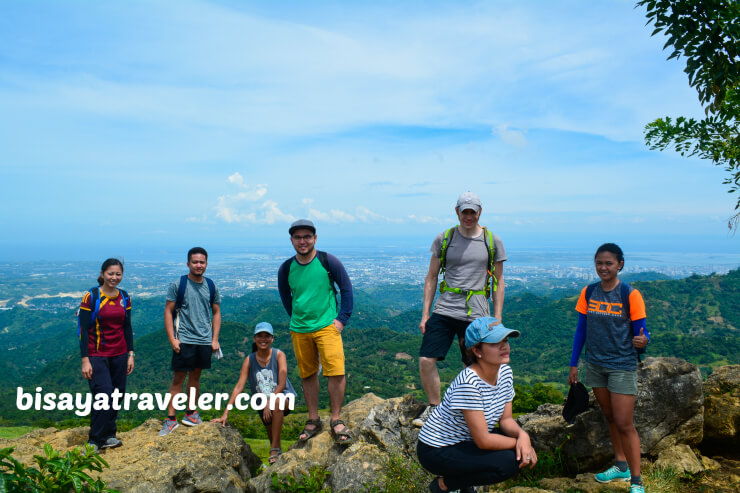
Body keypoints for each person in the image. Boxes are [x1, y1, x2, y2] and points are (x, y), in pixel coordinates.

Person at [415, 191, 507, 426]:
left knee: (476, 365)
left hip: (476, 311)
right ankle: (435, 409)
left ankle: (476, 413)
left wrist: (497, 318)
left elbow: (498, 281)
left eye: (472, 212)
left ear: (479, 212)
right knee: (426, 359)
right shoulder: (444, 239)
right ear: (457, 211)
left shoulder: (491, 241)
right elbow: (432, 276)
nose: (468, 216)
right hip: (445, 308)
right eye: (464, 211)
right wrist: (425, 314)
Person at [417, 316, 536, 492]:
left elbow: (506, 420)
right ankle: (444, 485)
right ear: (477, 351)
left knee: (519, 452)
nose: (504, 346)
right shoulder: (469, 383)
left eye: (505, 340)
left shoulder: (505, 372)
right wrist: (519, 442)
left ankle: (463, 484)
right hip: (437, 449)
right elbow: (483, 441)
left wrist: (523, 436)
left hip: (467, 440)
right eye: (495, 342)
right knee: (509, 463)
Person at [569, 243, 649, 493]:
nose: (603, 267)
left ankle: (636, 481)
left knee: (625, 423)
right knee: (611, 417)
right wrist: (574, 363)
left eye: (609, 263)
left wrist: (644, 342)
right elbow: (581, 329)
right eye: (599, 263)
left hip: (622, 366)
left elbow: (642, 335)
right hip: (595, 364)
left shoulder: (630, 294)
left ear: (620, 265)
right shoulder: (589, 292)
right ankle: (620, 465)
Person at [277, 219, 355, 445]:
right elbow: (286, 297)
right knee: (307, 373)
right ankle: (313, 419)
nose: (302, 241)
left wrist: (341, 320)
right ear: (292, 240)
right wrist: (295, 318)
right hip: (300, 329)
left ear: (315, 239)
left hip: (327, 326)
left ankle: (336, 419)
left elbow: (347, 289)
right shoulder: (286, 268)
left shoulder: (327, 261)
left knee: (336, 371)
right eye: (298, 238)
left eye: (307, 237)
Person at [212, 322, 296, 464]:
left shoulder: (279, 355)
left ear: (272, 338)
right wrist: (226, 412)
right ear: (254, 338)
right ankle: (277, 459)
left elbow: (281, 384)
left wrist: (270, 402)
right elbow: (239, 387)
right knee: (273, 440)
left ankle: (275, 449)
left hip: (283, 398)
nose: (263, 339)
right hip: (262, 404)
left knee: (276, 405)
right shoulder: (249, 360)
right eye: (260, 336)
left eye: (267, 336)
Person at [159, 247, 222, 436]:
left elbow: (216, 312)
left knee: (195, 378)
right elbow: (168, 311)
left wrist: (215, 339)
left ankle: (190, 413)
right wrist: (172, 339)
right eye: (195, 262)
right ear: (188, 264)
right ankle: (170, 419)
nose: (198, 265)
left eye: (202, 262)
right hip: (184, 339)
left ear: (206, 264)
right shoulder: (179, 284)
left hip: (204, 340)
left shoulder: (211, 286)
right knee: (178, 378)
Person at [78, 258, 134, 452]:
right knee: (103, 395)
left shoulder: (124, 297)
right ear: (102, 274)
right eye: (111, 273)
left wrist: (131, 354)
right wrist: (85, 360)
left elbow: (127, 326)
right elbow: (83, 330)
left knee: (116, 395)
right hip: (97, 354)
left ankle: (109, 435)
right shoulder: (91, 296)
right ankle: (95, 440)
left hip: (119, 354)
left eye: (118, 274)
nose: (114, 277)